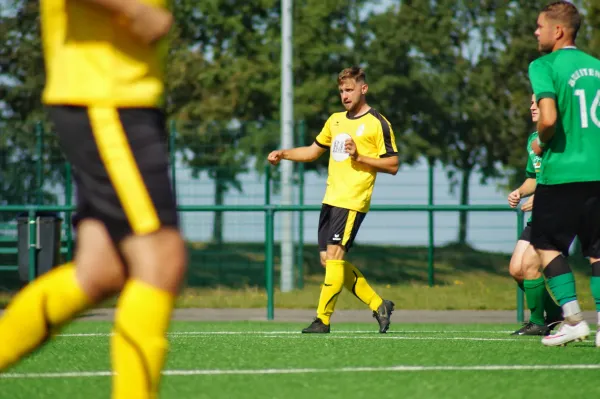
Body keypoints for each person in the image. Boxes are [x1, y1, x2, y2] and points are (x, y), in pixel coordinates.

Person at [0, 1, 188, 398]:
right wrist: (135, 9)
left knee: (100, 271)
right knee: (161, 258)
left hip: (120, 97)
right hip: (105, 95)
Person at [268, 66, 397, 334]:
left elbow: (393, 164)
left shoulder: (378, 123)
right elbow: (313, 152)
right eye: (341, 91)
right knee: (329, 261)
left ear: (364, 88)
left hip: (352, 199)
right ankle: (379, 304)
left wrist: (359, 157)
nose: (345, 95)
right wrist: (284, 153)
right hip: (331, 198)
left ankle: (322, 320)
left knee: (336, 258)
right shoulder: (335, 120)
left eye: (349, 89)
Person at [528, 1, 600, 347]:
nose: (536, 32)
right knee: (597, 250)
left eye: (540, 26)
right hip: (598, 171)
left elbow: (549, 118)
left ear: (558, 31)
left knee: (544, 242)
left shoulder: (544, 65)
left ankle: (572, 319)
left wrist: (541, 142)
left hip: (563, 172)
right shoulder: (597, 67)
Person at [507, 94, 563, 336]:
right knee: (516, 270)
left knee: (530, 264)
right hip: (538, 217)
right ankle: (555, 314)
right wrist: (520, 191)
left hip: (560, 212)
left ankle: (538, 322)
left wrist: (542, 197)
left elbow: (566, 178)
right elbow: (534, 177)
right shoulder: (533, 139)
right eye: (530, 102)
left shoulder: (562, 139)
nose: (531, 106)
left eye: (536, 102)